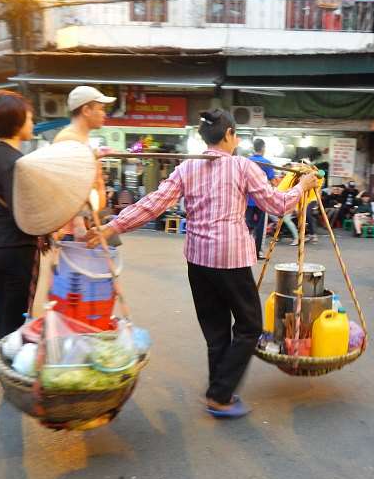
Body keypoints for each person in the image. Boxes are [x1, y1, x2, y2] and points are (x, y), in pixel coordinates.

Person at [86, 109, 318, 418]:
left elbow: (154, 203)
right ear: (229, 135)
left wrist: (112, 226)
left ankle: (217, 390)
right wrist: (303, 187)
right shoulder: (242, 166)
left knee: (216, 329)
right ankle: (221, 394)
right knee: (249, 327)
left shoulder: (188, 167)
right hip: (231, 259)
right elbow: (276, 204)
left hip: (198, 260)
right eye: (235, 135)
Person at [0, 91, 38, 344]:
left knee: (1, 310)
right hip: (17, 247)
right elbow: (24, 213)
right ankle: (10, 370)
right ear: (18, 122)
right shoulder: (18, 163)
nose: (32, 123)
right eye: (30, 118)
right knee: (14, 319)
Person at [53, 86, 116, 238]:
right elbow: (69, 185)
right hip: (73, 229)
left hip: (85, 222)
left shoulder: (79, 138)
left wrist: (95, 156)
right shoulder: (69, 139)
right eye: (101, 108)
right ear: (86, 110)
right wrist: (79, 222)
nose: (104, 113)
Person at [245, 138, 274, 259]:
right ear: (263, 149)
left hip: (247, 200)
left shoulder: (246, 161)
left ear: (253, 148)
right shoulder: (266, 163)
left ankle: (243, 251)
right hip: (262, 200)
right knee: (260, 228)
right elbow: (272, 180)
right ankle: (257, 253)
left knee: (245, 226)